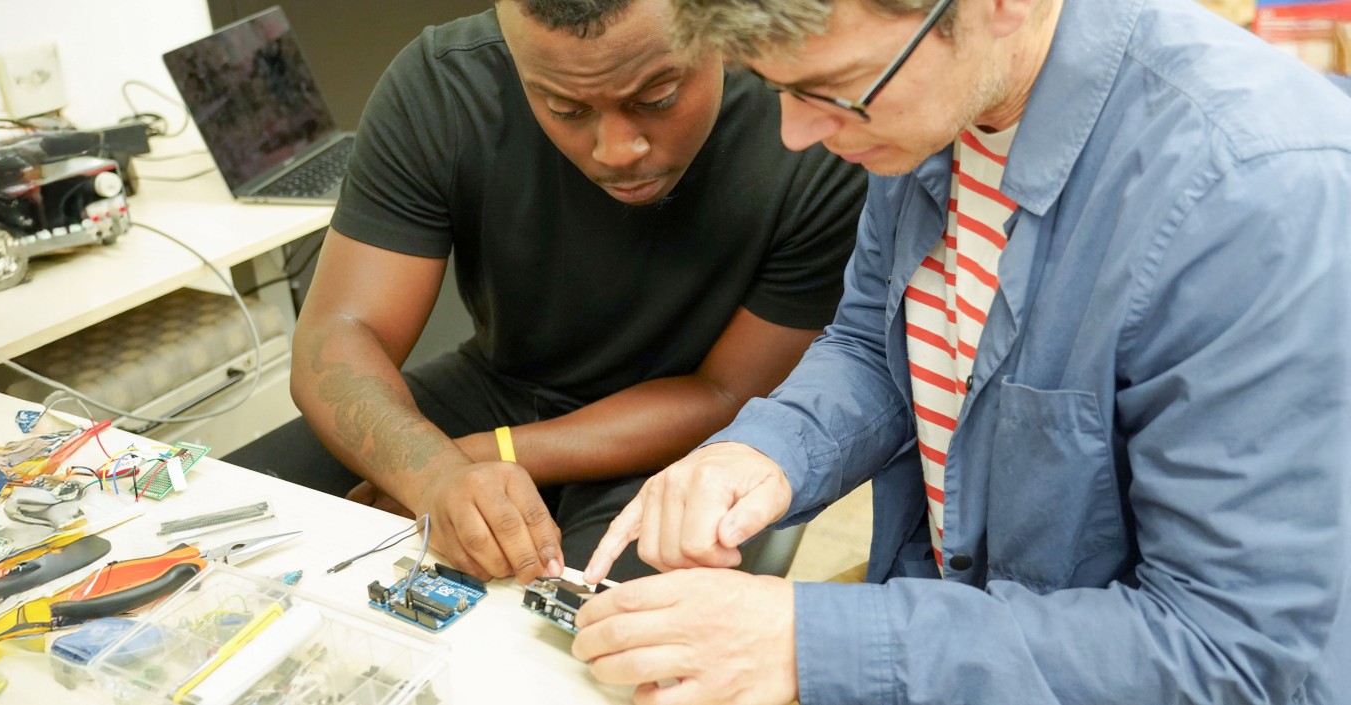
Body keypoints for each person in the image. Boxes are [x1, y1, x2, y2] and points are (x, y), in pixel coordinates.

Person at [575, 0, 1351, 702]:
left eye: (833, 88)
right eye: (777, 87)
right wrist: (770, 450)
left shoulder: (1253, 190)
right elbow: (878, 342)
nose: (796, 134)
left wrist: (812, 644)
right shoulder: (932, 106)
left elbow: (1223, 647)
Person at [226, 0, 866, 585]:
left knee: (582, 641)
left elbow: (725, 393)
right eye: (566, 109)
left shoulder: (809, 127)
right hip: (497, 388)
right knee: (221, 517)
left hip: (689, 438)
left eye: (657, 98)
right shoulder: (446, 85)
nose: (618, 150)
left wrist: (475, 457)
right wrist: (434, 473)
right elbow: (340, 333)